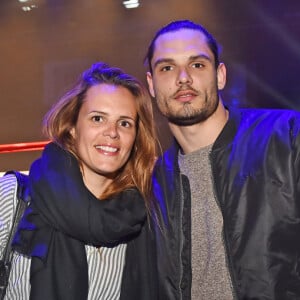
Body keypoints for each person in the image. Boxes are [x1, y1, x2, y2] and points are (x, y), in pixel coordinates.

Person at [145, 19, 300, 300]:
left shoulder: (287, 138)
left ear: (220, 75)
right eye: (167, 67)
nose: (183, 77)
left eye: (197, 64)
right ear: (151, 84)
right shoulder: (153, 185)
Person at [0, 62, 157, 299]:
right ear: (72, 127)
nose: (112, 132)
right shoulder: (15, 197)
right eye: (97, 118)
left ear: (135, 138)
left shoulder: (142, 221)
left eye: (125, 123)